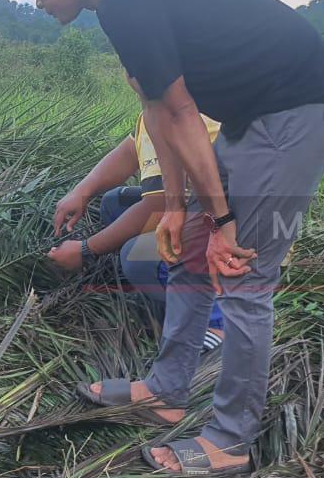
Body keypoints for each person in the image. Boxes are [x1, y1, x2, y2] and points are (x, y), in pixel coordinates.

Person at [11, 0, 324, 478]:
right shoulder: (117, 1)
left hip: (299, 110)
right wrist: (177, 207)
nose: (38, 1)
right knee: (189, 242)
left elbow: (183, 112)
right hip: (253, 117)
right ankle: (168, 389)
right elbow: (157, 112)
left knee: (239, 269)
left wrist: (224, 218)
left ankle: (229, 440)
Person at [46, 111, 225, 355]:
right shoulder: (158, 106)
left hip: (240, 236)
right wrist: (82, 191)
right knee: (114, 204)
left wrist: (86, 249)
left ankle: (218, 322)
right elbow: (130, 151)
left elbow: (159, 206)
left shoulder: (174, 112)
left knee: (138, 255)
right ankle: (168, 297)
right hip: (212, 211)